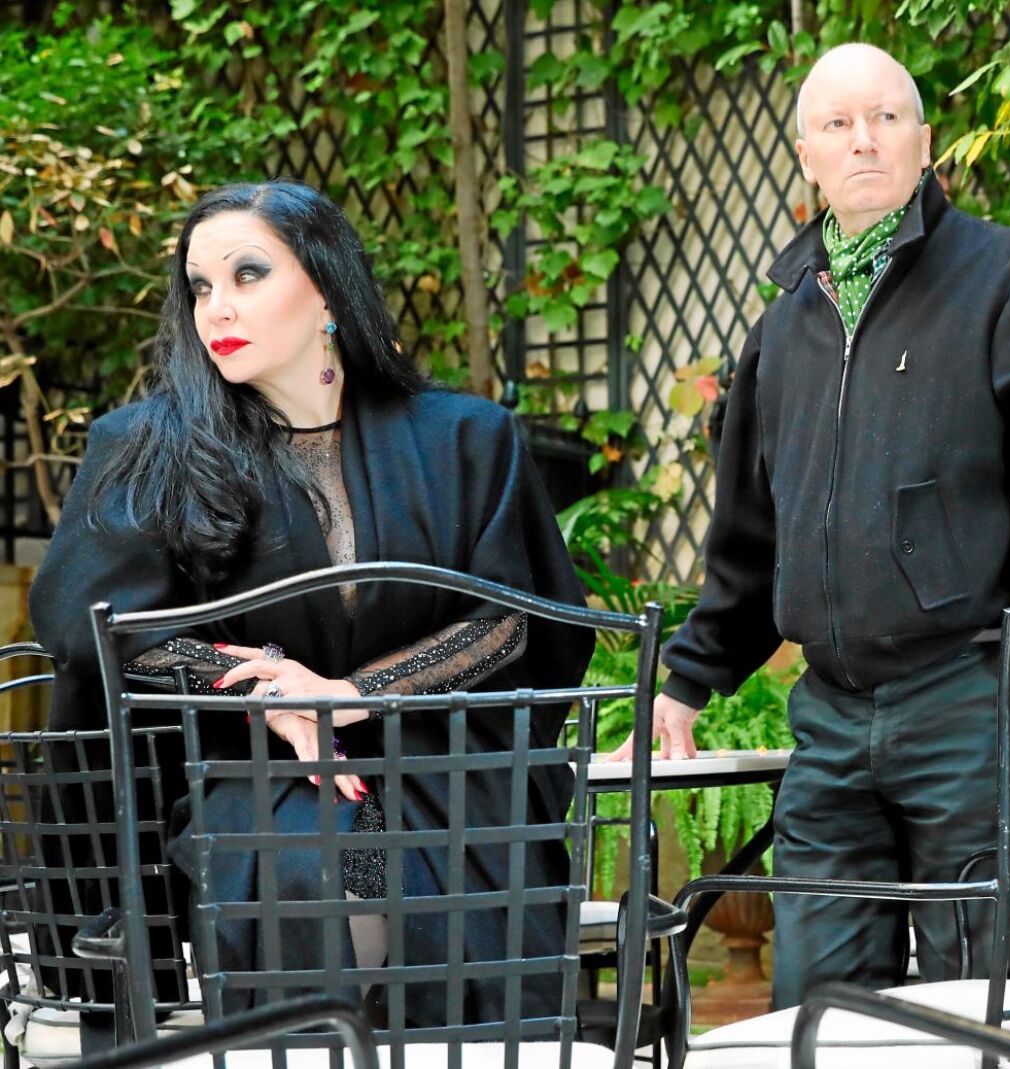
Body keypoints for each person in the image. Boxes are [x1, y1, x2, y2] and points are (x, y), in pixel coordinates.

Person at [605, 43, 1010, 1009]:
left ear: (925, 142)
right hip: (831, 714)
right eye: (838, 124)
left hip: (972, 700)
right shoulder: (780, 334)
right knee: (818, 1011)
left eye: (886, 118)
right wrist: (688, 680)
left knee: (975, 1007)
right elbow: (751, 541)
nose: (864, 140)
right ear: (807, 156)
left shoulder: (1008, 281)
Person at [27, 180, 593, 1027]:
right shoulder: (147, 446)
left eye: (248, 273)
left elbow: (513, 617)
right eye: (200, 286)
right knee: (321, 861)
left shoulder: (465, 437)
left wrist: (354, 694)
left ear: (327, 287)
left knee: (437, 863)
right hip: (241, 766)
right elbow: (95, 626)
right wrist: (265, 689)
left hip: (441, 758)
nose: (217, 307)